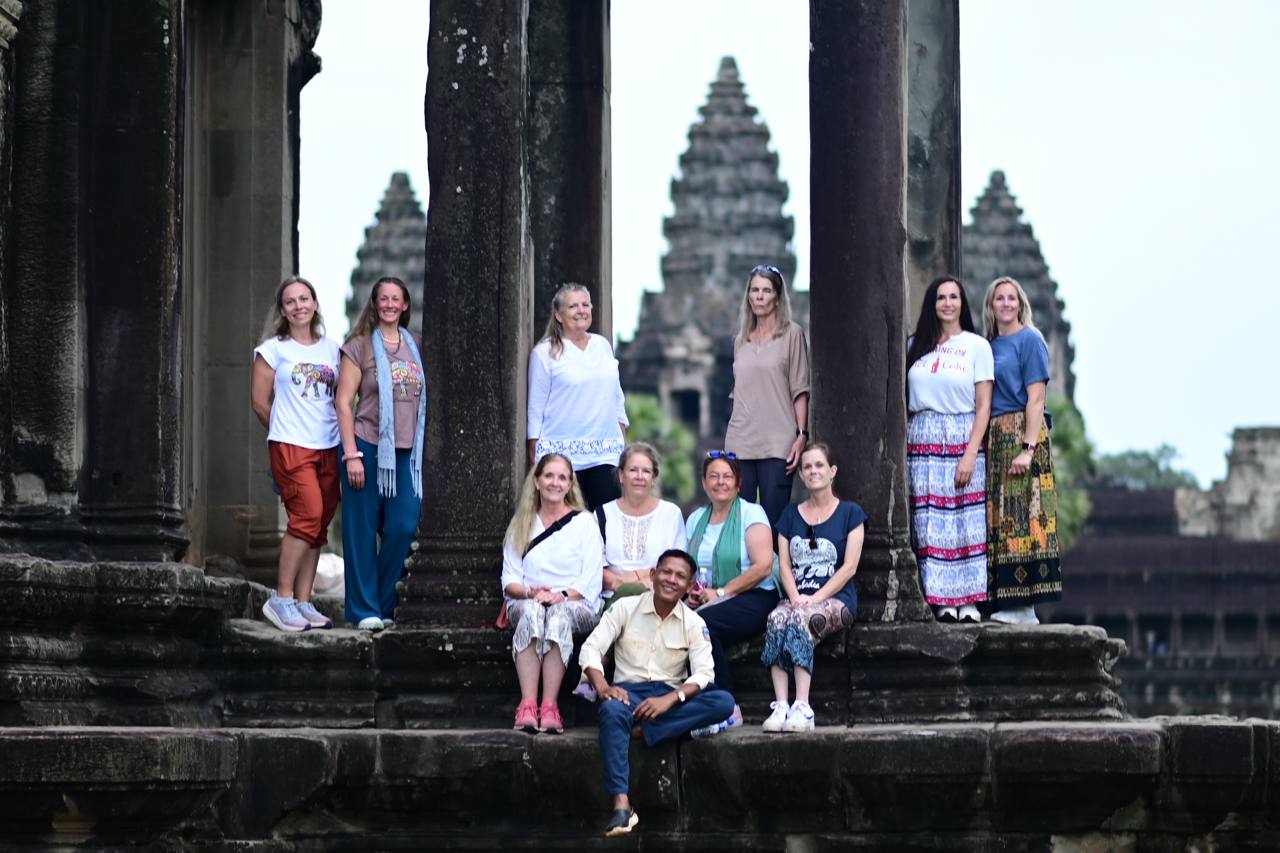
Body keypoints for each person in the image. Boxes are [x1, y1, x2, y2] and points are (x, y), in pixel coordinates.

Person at [579, 549, 736, 837]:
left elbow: (704, 674)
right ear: (653, 575)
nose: (671, 580)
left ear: (689, 587)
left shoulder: (694, 622)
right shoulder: (626, 607)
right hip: (628, 694)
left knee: (723, 702)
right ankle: (622, 805)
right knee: (611, 709)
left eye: (680, 576)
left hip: (669, 696)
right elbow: (591, 648)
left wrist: (670, 699)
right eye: (666, 572)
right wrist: (603, 687)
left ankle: (641, 731)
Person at [250, 275, 341, 632]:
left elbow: (342, 397)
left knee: (318, 525)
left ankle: (303, 603)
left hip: (329, 445)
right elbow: (259, 402)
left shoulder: (333, 349)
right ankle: (281, 597)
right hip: (291, 444)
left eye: (305, 299)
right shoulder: (273, 349)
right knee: (307, 515)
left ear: (315, 304)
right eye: (291, 301)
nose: (299, 305)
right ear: (283, 310)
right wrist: (286, 430)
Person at [335, 276, 425, 632]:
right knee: (361, 529)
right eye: (382, 298)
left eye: (396, 299)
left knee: (403, 527)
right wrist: (351, 454)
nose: (389, 304)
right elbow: (344, 403)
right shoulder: (359, 347)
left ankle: (386, 603)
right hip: (366, 445)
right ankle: (363, 609)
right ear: (374, 304)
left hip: (407, 453)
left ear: (405, 305)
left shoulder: (416, 346)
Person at [905, 276, 994, 624]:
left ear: (962, 303)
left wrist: (972, 452)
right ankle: (941, 599)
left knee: (966, 520)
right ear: (932, 304)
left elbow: (984, 404)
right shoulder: (916, 345)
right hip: (924, 435)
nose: (947, 303)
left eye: (953, 297)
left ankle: (969, 600)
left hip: (962, 431)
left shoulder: (976, 346)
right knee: (930, 520)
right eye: (941, 297)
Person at [760, 443, 865, 732]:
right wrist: (795, 597)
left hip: (836, 600)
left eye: (819, 465)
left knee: (800, 618)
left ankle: (803, 707)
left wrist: (814, 599)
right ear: (802, 476)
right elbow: (783, 566)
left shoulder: (850, 513)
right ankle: (781, 704)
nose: (813, 471)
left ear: (832, 471)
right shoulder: (790, 515)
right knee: (776, 617)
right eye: (807, 467)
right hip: (796, 597)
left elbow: (850, 567)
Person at [501, 452, 603, 734]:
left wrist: (561, 595)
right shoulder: (522, 523)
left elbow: (591, 579)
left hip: (576, 602)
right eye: (548, 476)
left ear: (570, 484)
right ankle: (527, 704)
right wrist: (531, 592)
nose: (554, 483)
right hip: (526, 600)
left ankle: (549, 706)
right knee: (534, 612)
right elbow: (509, 578)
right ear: (536, 481)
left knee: (557, 615)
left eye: (562, 477)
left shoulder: (584, 523)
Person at [983, 276, 1062, 624]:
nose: (1005, 304)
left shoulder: (1030, 340)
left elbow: (1036, 398)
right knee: (1000, 518)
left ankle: (1024, 606)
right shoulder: (987, 345)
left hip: (1022, 433)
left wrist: (1028, 448)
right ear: (990, 305)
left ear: (1021, 304)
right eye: (999, 298)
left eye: (1011, 298)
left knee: (1024, 516)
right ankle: (1008, 602)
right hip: (997, 435)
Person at [686, 452, 777, 711]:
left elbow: (763, 567)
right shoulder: (695, 519)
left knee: (701, 626)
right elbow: (689, 568)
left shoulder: (751, 513)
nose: (720, 482)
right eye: (713, 476)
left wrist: (722, 592)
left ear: (738, 484)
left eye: (727, 476)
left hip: (755, 595)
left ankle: (726, 704)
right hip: (710, 596)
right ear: (704, 483)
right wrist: (694, 591)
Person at [526, 282, 628, 511]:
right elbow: (535, 408)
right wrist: (534, 456)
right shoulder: (544, 353)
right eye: (573, 306)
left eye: (585, 304)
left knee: (605, 528)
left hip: (605, 454)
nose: (581, 310)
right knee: (568, 528)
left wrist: (622, 439)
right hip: (562, 457)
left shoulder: (602, 346)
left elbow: (616, 397)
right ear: (559, 315)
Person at [724, 264, 811, 526]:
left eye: (766, 291)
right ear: (748, 296)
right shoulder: (741, 340)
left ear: (777, 297)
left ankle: (773, 569)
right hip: (741, 440)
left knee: (773, 521)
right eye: (754, 290)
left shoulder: (792, 334)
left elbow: (800, 388)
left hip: (778, 442)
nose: (759, 297)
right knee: (741, 522)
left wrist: (801, 435)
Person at [598, 443, 687, 608]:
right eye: (632, 470)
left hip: (657, 596)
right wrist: (621, 586)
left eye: (646, 471)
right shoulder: (602, 514)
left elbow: (679, 564)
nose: (639, 476)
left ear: (653, 478)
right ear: (620, 475)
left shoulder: (671, 514)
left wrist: (642, 578)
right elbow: (593, 567)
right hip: (612, 599)